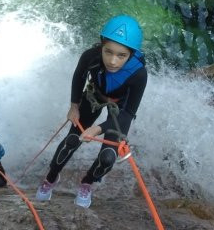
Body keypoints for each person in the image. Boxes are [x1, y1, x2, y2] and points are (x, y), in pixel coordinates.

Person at [35, 15, 148, 209]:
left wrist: (98, 129)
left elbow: (128, 113)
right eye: (108, 52)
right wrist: (74, 106)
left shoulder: (139, 74)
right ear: (101, 46)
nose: (112, 61)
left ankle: (87, 182)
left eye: (121, 55)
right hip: (94, 95)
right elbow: (79, 76)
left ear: (131, 54)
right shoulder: (91, 56)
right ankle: (51, 177)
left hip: (120, 108)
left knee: (108, 158)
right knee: (72, 140)